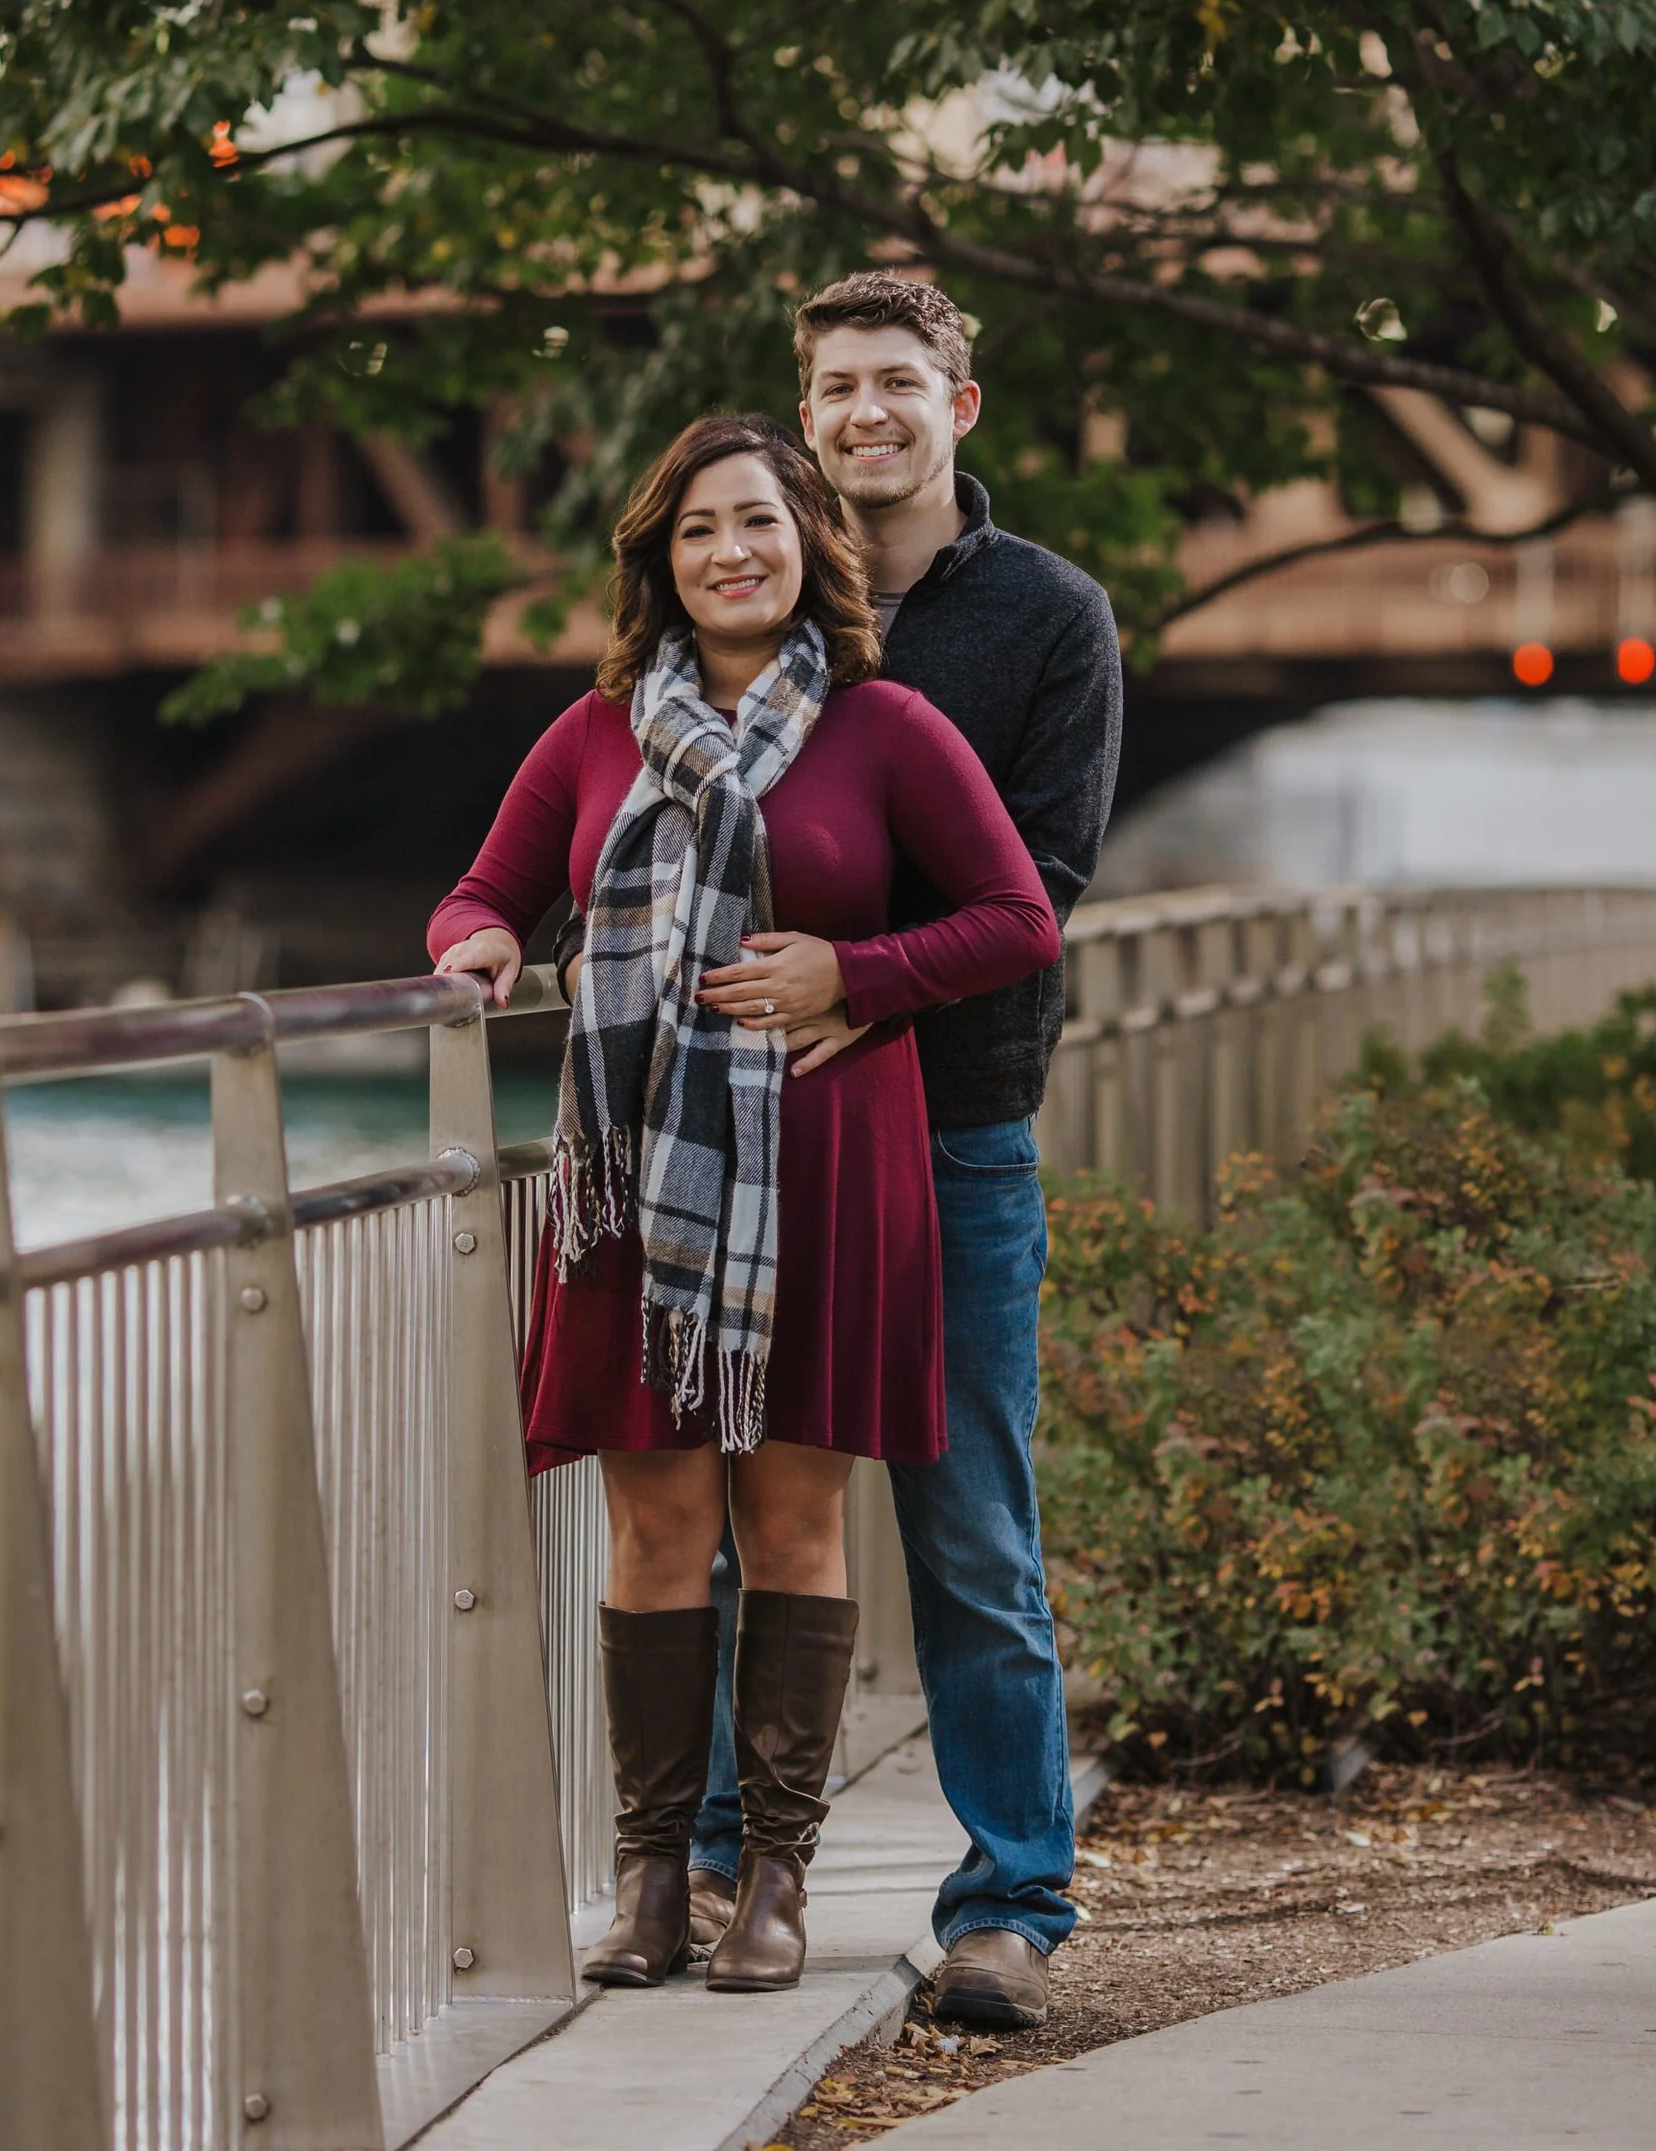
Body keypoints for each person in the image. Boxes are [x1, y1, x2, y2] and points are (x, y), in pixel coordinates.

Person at [428, 412, 1058, 2000]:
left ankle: (774, 1884)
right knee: (653, 1525)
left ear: (808, 547)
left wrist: (864, 970)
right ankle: (653, 1888)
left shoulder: (888, 727)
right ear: (661, 560)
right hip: (631, 1181)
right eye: (701, 528)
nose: (732, 552)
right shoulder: (590, 737)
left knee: (789, 1517)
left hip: (827, 1172)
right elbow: (488, 890)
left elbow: (1016, 918)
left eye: (761, 524)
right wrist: (476, 950)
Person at [666, 274, 1125, 2033]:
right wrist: (494, 925)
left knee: (970, 1533)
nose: (867, 413)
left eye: (897, 384)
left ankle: (1010, 1903)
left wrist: (865, 979)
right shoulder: (753, 587)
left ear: (960, 405)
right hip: (751, 1129)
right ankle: (716, 1853)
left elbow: (1047, 886)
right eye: (836, 387)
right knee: (729, 1510)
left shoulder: (1048, 620)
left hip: (949, 1140)